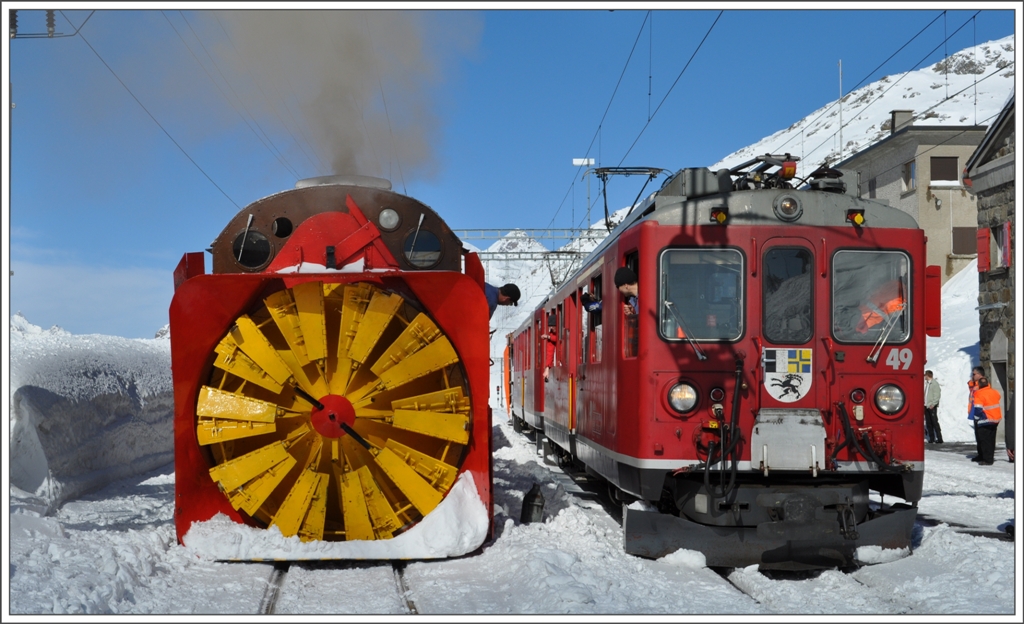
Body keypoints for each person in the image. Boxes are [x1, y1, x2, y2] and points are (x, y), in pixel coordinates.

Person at [971, 376, 1003, 465]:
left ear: (979, 384)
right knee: (991, 440)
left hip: (985, 420)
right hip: (995, 419)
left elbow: (978, 408)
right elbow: (998, 397)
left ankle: (987, 459)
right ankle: (986, 457)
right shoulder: (994, 392)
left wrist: (976, 419)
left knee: (984, 441)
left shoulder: (979, 394)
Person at [968, 366, 985, 462]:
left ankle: (983, 455)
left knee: (981, 436)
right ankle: (980, 454)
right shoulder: (975, 384)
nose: (972, 376)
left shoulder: (982, 384)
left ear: (979, 375)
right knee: (978, 435)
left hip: (980, 412)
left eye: (974, 374)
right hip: (975, 412)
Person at [924, 370, 943, 444]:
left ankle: (939, 438)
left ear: (928, 375)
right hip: (926, 405)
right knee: (929, 423)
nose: (924, 377)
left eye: (925, 375)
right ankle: (932, 438)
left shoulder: (934, 384)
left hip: (931, 406)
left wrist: (933, 404)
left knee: (934, 422)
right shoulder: (927, 384)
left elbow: (937, 395)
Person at [541, 315, 557, 382]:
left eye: (552, 326)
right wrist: (547, 367)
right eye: (550, 326)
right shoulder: (551, 334)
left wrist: (548, 337)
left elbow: (558, 339)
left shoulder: (551, 336)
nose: (551, 328)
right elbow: (550, 352)